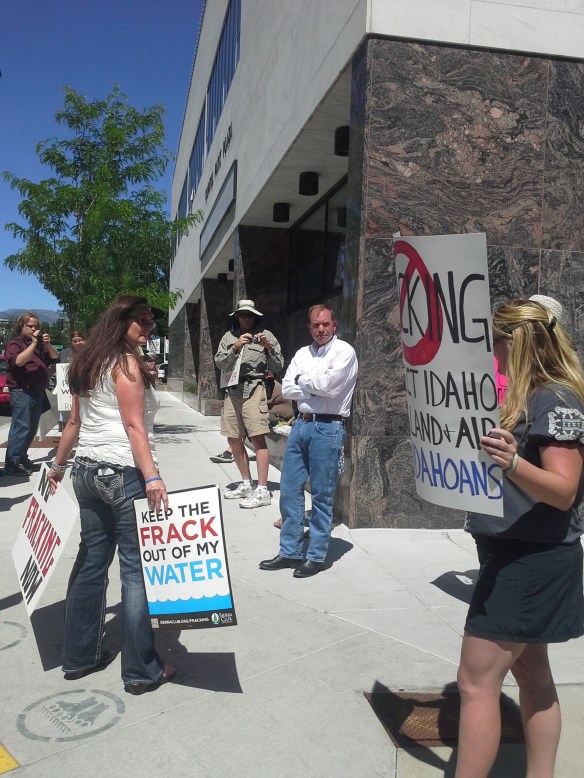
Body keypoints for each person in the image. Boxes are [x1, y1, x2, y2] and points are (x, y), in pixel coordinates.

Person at [455, 298, 584, 778]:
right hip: (516, 553)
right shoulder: (527, 396)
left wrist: (513, 463)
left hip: (532, 560)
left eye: (497, 340)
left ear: (519, 342)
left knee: (474, 681)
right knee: (531, 675)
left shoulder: (557, 398)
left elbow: (564, 490)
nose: (493, 349)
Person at [47, 295, 175, 695]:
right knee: (135, 571)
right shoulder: (126, 364)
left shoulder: (87, 362)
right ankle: (140, 670)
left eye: (151, 322)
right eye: (140, 320)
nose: (148, 326)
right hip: (123, 473)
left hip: (85, 472)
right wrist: (152, 478)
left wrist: (58, 465)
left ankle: (79, 657)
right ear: (120, 322)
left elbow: (73, 423)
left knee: (91, 563)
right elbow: (134, 426)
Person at [260, 304, 358, 578]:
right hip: (301, 427)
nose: (321, 330)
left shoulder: (344, 352)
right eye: (316, 325)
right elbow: (288, 387)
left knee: (322, 496)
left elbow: (330, 386)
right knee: (289, 490)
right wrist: (310, 385)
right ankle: (289, 551)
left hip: (328, 429)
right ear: (309, 327)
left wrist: (304, 382)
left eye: (326, 324)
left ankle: (315, 555)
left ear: (334, 325)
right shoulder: (303, 353)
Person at [214, 299, 284, 508]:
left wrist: (268, 347)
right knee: (234, 438)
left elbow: (279, 365)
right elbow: (220, 363)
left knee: (257, 438)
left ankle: (262, 490)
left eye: (250, 315)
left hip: (255, 388)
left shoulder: (266, 335)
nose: (247, 318)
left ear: (255, 317)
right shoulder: (228, 337)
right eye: (243, 315)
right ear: (236, 316)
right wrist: (235, 347)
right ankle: (246, 483)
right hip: (233, 391)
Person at [4, 311, 59, 475]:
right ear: (21, 326)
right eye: (30, 326)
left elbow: (55, 357)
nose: (34, 328)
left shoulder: (38, 345)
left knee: (31, 428)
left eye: (36, 326)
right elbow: (19, 361)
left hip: (37, 392)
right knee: (22, 427)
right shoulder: (16, 343)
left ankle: (22, 458)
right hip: (22, 391)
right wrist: (34, 344)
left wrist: (47, 345)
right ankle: (12, 463)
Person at [58, 331, 87, 430]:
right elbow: (57, 367)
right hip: (67, 391)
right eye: (75, 341)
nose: (78, 343)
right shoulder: (64, 353)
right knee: (68, 417)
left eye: (80, 340)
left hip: (86, 389)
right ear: (71, 342)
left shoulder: (92, 352)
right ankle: (68, 436)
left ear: (85, 341)